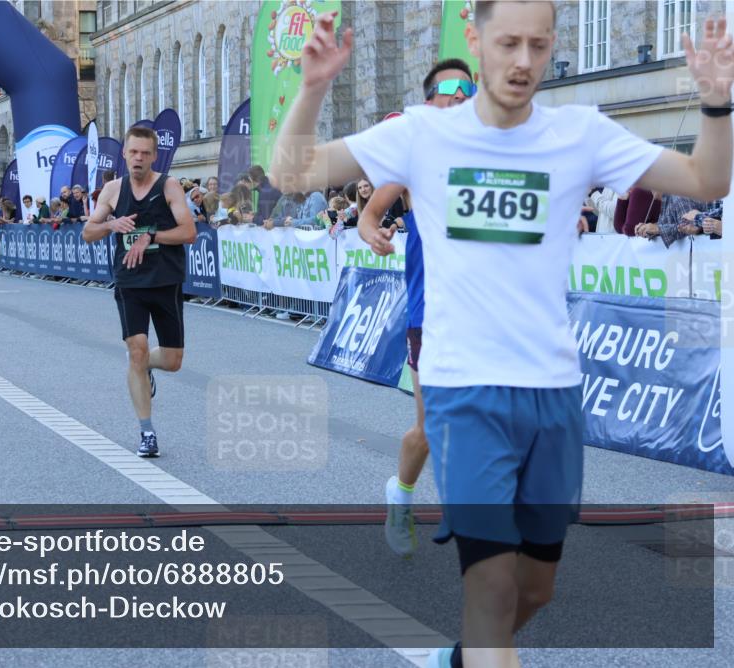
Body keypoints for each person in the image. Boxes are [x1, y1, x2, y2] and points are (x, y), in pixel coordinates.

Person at [269, 6, 733, 667]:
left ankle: (461, 658)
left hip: (551, 398)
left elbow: (705, 181)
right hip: (465, 393)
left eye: (538, 45)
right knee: (489, 590)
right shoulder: (424, 134)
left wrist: (717, 104)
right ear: (475, 39)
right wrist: (311, 90)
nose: (522, 60)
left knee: (534, 590)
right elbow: (293, 173)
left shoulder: (579, 134)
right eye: (508, 43)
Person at [357, 56, 475, 560]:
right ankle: (400, 495)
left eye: (468, 96)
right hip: (431, 314)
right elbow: (368, 215)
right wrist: (373, 234)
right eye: (449, 98)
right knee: (430, 430)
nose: (461, 105)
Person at [82, 126, 196, 458]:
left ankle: (146, 366)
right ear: (124, 154)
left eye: (145, 153)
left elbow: (188, 231)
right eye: (133, 152)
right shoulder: (113, 190)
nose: (138, 158)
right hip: (129, 281)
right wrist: (109, 225)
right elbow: (88, 233)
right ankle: (147, 432)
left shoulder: (168, 186)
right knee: (136, 350)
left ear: (154, 156)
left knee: (173, 361)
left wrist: (151, 236)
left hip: (165, 281)